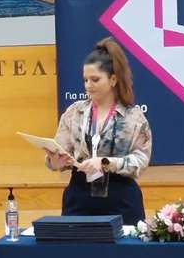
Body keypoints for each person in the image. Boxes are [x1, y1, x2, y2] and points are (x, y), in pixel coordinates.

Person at [46, 38, 152, 222]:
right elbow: (58, 153)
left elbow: (140, 161)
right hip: (79, 198)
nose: (88, 85)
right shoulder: (74, 112)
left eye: (95, 79)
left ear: (113, 80)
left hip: (120, 198)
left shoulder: (133, 116)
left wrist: (105, 163)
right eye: (85, 80)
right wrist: (54, 161)